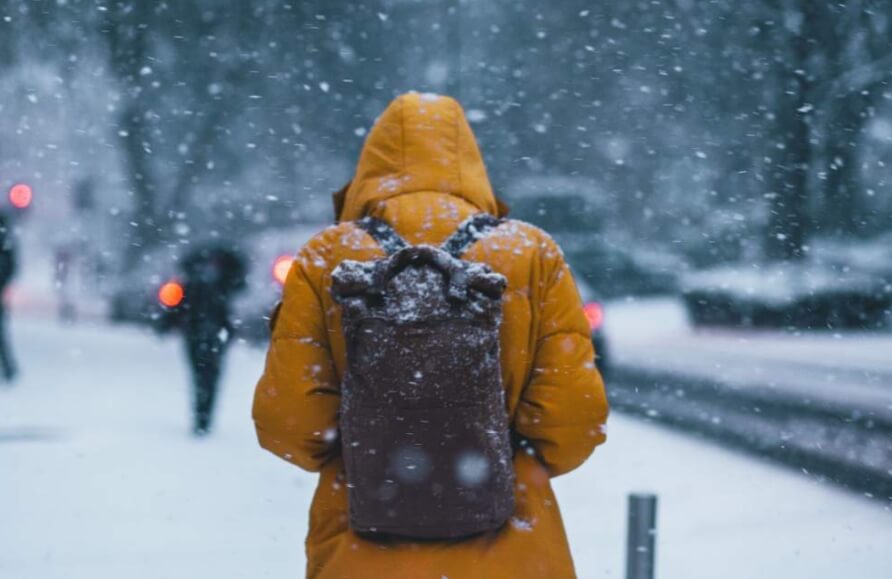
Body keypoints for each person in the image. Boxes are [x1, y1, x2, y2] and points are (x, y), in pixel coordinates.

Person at [252, 92, 609, 578]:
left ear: (371, 165)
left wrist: (375, 452)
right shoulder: (530, 253)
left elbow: (289, 424)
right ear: (469, 162)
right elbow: (572, 422)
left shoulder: (327, 257)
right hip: (513, 549)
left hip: (360, 547)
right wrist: (488, 458)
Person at [159, 244, 246, 436]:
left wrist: (166, 324)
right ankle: (204, 417)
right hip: (211, 334)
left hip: (198, 333)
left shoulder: (194, 282)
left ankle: (202, 416)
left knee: (200, 376)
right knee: (209, 376)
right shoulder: (222, 283)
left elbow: (177, 307)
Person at [0, 212, 18, 382]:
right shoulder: (7, 239)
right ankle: (9, 369)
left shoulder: (6, 240)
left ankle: (9, 369)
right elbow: (13, 267)